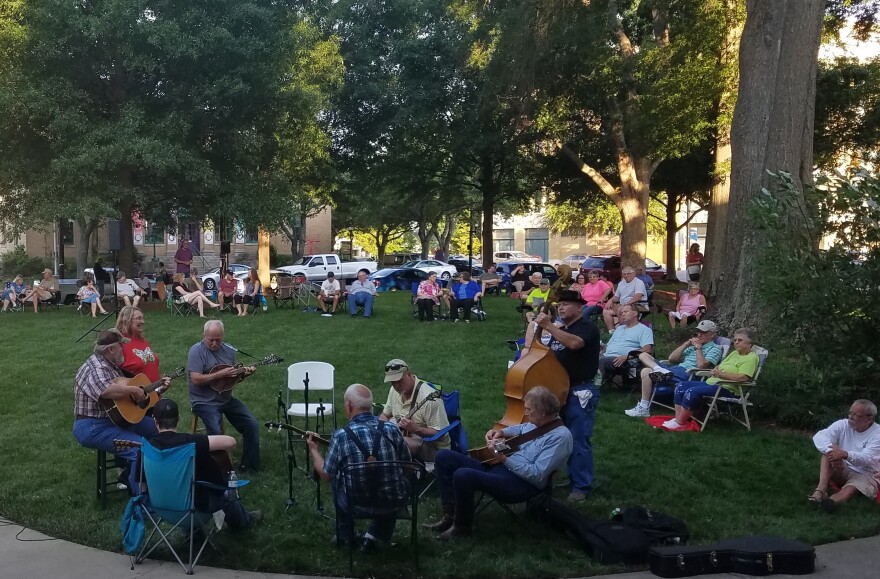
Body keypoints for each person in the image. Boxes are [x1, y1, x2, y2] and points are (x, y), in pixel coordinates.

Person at [427, 387, 573, 539]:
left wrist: (503, 458)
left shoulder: (560, 438)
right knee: (443, 457)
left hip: (521, 484)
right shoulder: (538, 423)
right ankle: (449, 516)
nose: (525, 413)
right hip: (501, 469)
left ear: (543, 412)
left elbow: (536, 475)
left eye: (529, 409)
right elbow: (522, 428)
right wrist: (501, 432)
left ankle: (461, 527)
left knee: (463, 475)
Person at [307, 383, 411, 551]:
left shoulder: (341, 436)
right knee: (400, 482)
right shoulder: (392, 429)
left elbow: (326, 474)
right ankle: (377, 536)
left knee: (338, 478)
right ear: (370, 406)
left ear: (348, 406)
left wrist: (314, 450)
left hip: (356, 502)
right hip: (392, 501)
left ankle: (345, 536)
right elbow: (407, 465)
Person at [72, 329, 166, 493]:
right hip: (92, 426)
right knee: (140, 449)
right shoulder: (96, 367)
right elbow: (106, 391)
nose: (124, 349)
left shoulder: (111, 367)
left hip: (115, 420)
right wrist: (133, 391)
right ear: (111, 349)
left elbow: (124, 401)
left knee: (160, 430)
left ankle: (160, 478)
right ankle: (140, 496)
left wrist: (156, 391)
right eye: (121, 346)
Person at [529, 290, 601, 502]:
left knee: (579, 439)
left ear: (580, 308)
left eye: (567, 304)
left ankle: (582, 486)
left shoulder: (587, 328)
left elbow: (575, 344)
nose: (561, 307)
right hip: (560, 390)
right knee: (562, 438)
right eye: (559, 304)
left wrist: (549, 326)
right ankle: (573, 477)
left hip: (580, 391)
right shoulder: (564, 329)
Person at [149, 398, 260, 527]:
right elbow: (230, 442)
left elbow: (142, 487)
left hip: (160, 509)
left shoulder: (147, 448)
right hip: (191, 511)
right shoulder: (191, 443)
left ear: (155, 421)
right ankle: (242, 521)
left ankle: (195, 536)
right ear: (178, 419)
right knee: (227, 489)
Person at [188, 320, 261, 471]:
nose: (215, 343)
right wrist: (220, 373)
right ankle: (221, 469)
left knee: (251, 423)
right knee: (215, 430)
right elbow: (195, 379)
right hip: (203, 401)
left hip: (225, 399)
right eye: (211, 340)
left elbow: (228, 382)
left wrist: (244, 375)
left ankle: (249, 465)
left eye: (218, 339)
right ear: (204, 336)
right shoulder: (196, 350)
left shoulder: (229, 351)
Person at [662, 327, 758, 431]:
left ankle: (681, 423)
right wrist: (716, 369)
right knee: (681, 386)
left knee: (691, 391)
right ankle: (678, 419)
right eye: (735, 340)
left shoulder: (751, 358)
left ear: (750, 343)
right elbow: (721, 365)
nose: (736, 343)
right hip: (713, 382)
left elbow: (743, 378)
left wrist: (720, 374)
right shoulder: (735, 353)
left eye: (740, 340)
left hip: (728, 388)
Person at [624, 320, 723, 418]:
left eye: (703, 332)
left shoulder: (715, 348)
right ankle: (644, 406)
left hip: (689, 375)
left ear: (712, 334)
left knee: (646, 369)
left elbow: (702, 366)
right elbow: (672, 358)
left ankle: (644, 407)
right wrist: (686, 344)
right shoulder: (692, 346)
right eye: (698, 331)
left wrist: (698, 348)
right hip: (674, 370)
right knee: (643, 356)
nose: (699, 334)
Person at [809, 399, 880, 512]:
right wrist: (831, 451)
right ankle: (821, 490)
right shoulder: (843, 424)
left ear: (870, 419)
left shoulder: (877, 433)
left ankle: (831, 502)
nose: (851, 417)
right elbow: (819, 436)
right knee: (828, 454)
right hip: (843, 467)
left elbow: (868, 458)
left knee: (852, 488)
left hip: (867, 473)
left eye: (857, 415)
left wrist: (845, 454)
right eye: (850, 413)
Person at [379, 359, 450, 460]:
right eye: (393, 382)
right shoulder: (394, 391)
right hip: (406, 436)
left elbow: (441, 433)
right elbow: (385, 415)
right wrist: (380, 430)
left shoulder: (430, 399)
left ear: (409, 374)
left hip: (434, 449)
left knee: (397, 443)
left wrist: (416, 429)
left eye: (400, 381)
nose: (396, 385)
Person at [599, 304, 654, 387]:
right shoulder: (619, 329)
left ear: (635, 313)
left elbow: (647, 350)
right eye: (621, 313)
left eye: (625, 312)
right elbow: (608, 346)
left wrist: (627, 356)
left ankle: (594, 388)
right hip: (607, 356)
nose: (622, 314)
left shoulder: (644, 330)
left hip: (625, 360)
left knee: (600, 361)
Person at [115, 306, 162, 381]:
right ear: (127, 320)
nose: (142, 321)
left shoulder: (142, 340)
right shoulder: (119, 343)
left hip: (155, 391)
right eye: (139, 318)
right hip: (137, 391)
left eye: (142, 318)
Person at [602, 266, 647, 332]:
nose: (626, 276)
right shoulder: (621, 283)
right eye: (624, 274)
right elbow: (617, 297)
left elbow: (638, 296)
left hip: (638, 304)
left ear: (633, 274)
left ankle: (623, 331)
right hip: (623, 304)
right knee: (606, 311)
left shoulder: (639, 282)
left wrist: (626, 304)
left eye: (628, 274)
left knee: (621, 310)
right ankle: (612, 331)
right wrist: (610, 300)